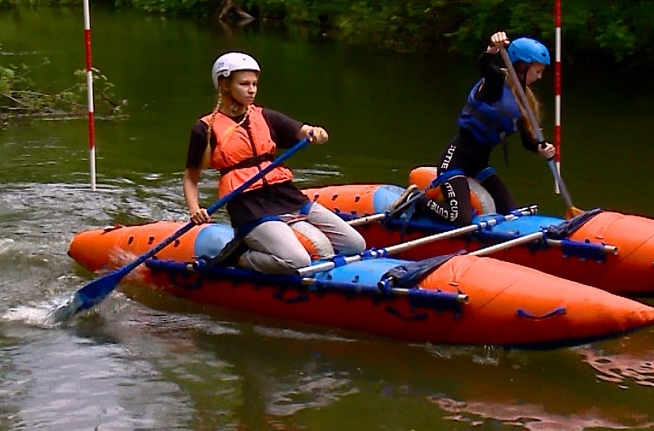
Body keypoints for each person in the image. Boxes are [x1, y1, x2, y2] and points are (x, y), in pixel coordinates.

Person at [183, 51, 366, 274]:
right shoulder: (205, 129)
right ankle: (239, 256)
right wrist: (195, 209)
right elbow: (191, 177)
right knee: (297, 261)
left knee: (355, 244)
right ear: (224, 85)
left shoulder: (266, 116)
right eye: (244, 84)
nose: (251, 89)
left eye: (254, 84)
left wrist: (318, 133)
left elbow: (308, 131)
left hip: (285, 196)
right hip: (249, 206)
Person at [401, 31, 555, 226]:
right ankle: (416, 199)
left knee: (512, 212)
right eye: (538, 71)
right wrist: (492, 49)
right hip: (455, 161)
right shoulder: (496, 83)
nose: (540, 77)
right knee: (461, 218)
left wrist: (540, 148)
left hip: (479, 165)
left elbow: (527, 140)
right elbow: (484, 66)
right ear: (522, 67)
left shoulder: (524, 101)